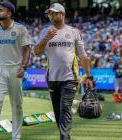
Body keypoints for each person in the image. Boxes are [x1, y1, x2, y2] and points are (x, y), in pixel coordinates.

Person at [34, 3, 94, 140]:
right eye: (49, 14)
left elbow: (82, 56)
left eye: (54, 13)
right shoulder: (45, 32)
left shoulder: (73, 32)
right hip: (52, 78)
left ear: (62, 14)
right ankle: (66, 136)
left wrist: (89, 75)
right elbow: (36, 52)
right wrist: (47, 38)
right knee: (57, 113)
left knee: (65, 108)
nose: (51, 16)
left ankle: (64, 138)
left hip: (70, 78)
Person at [0, 1, 31, 140]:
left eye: (1, 10)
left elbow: (26, 50)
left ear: (9, 13)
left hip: (15, 69)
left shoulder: (21, 29)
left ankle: (16, 137)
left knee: (17, 105)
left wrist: (23, 66)